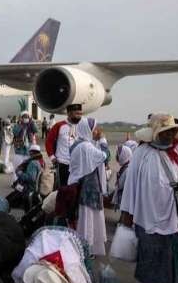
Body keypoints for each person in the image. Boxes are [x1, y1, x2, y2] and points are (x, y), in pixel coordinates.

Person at [120, 113, 178, 283]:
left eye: (172, 131)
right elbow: (131, 184)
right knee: (150, 250)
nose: (169, 135)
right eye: (165, 131)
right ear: (155, 132)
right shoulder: (142, 152)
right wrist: (127, 212)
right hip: (148, 212)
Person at [68, 118, 108, 256]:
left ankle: (83, 247)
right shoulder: (87, 147)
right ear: (89, 130)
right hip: (87, 188)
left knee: (83, 219)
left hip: (78, 185)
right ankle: (87, 248)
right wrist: (103, 141)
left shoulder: (77, 144)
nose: (97, 132)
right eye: (95, 129)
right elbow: (105, 156)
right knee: (88, 219)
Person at [46, 104, 84, 187]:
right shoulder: (59, 125)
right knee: (63, 188)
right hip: (62, 163)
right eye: (77, 114)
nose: (79, 116)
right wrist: (52, 157)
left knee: (76, 188)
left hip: (77, 164)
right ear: (69, 114)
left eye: (80, 114)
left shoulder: (82, 126)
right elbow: (49, 141)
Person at [12, 111, 39, 182]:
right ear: (21, 118)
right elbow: (15, 132)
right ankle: (15, 182)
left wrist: (32, 121)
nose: (26, 118)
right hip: (19, 151)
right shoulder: (17, 125)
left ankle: (23, 182)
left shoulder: (31, 125)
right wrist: (21, 125)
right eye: (24, 117)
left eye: (27, 117)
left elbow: (36, 130)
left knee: (26, 168)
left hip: (28, 151)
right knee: (17, 167)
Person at [111, 144, 133, 209]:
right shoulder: (126, 167)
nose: (116, 156)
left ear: (124, 155)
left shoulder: (128, 170)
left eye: (118, 154)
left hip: (126, 202)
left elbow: (121, 185)